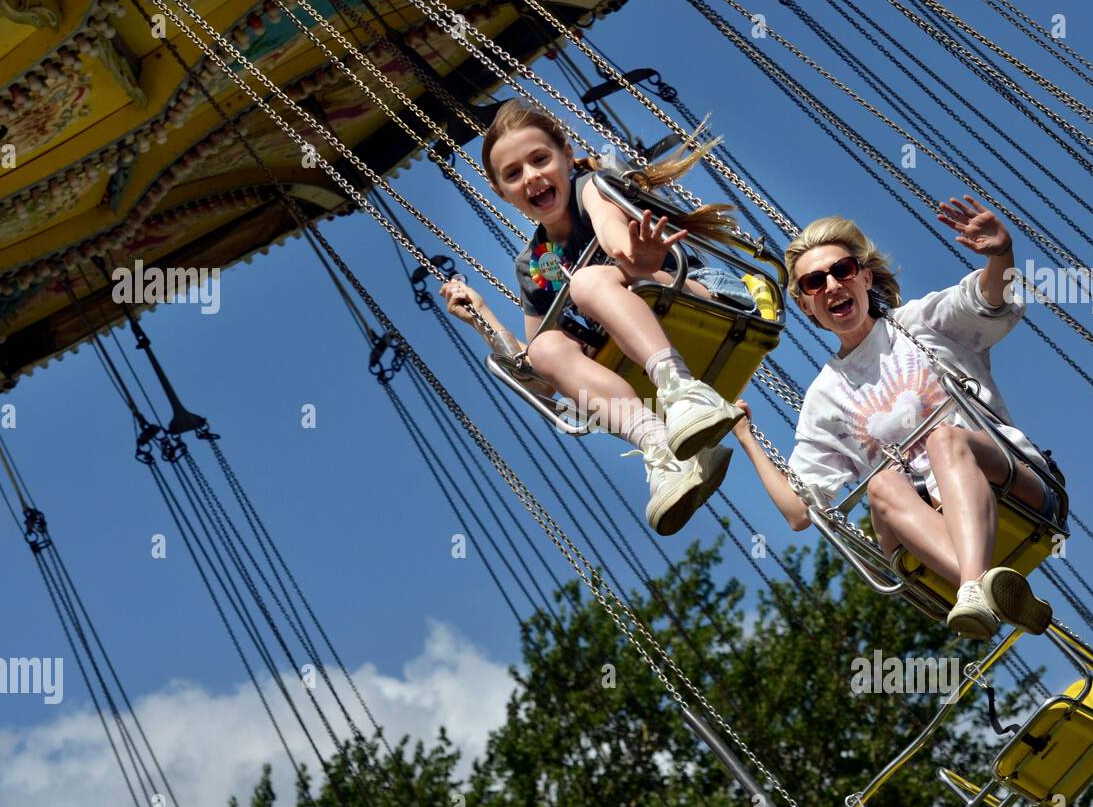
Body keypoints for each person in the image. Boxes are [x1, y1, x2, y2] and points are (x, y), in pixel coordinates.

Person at [734, 197, 1060, 640]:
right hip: (924, 523)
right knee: (881, 483)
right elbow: (799, 511)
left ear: (865, 278)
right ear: (807, 305)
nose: (831, 285)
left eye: (842, 271)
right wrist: (746, 437)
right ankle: (981, 588)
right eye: (814, 282)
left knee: (946, 439)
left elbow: (987, 297)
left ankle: (974, 587)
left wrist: (1000, 254)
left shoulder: (920, 324)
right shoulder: (824, 399)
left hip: (1012, 487)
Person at [443, 100, 747, 535]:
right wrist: (483, 319)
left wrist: (632, 255)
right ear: (501, 192)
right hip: (640, 334)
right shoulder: (539, 263)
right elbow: (544, 379)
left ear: (567, 156)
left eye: (540, 159)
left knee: (585, 284)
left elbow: (611, 233)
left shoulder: (593, 189)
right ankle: (662, 449)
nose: (530, 176)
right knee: (547, 345)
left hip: (699, 295)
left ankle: (683, 391)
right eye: (513, 174)